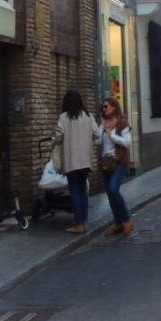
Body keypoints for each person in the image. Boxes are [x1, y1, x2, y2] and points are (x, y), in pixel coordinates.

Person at [54, 88, 99, 234]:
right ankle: (84, 222)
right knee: (82, 190)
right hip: (85, 160)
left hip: (71, 159)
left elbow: (58, 137)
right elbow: (97, 133)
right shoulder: (88, 116)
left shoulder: (63, 117)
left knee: (74, 191)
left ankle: (78, 224)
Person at [98, 96, 133, 235]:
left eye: (106, 106)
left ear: (114, 107)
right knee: (110, 194)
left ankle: (127, 220)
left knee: (113, 190)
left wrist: (111, 135)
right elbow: (99, 142)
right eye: (103, 107)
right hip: (107, 163)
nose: (104, 109)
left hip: (119, 162)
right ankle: (118, 223)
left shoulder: (122, 124)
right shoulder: (104, 124)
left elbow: (127, 142)